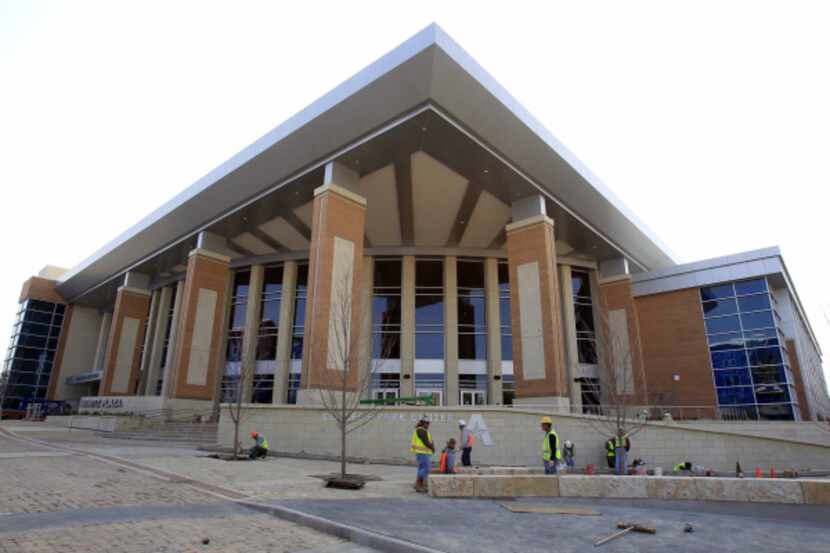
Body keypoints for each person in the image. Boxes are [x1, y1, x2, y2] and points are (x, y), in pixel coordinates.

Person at [410, 418, 434, 493]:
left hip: (422, 453)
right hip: (422, 453)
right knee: (426, 468)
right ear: (424, 423)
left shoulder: (422, 430)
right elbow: (426, 442)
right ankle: (418, 484)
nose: (428, 425)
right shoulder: (421, 430)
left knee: (421, 468)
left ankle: (418, 485)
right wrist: (432, 447)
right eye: (427, 423)